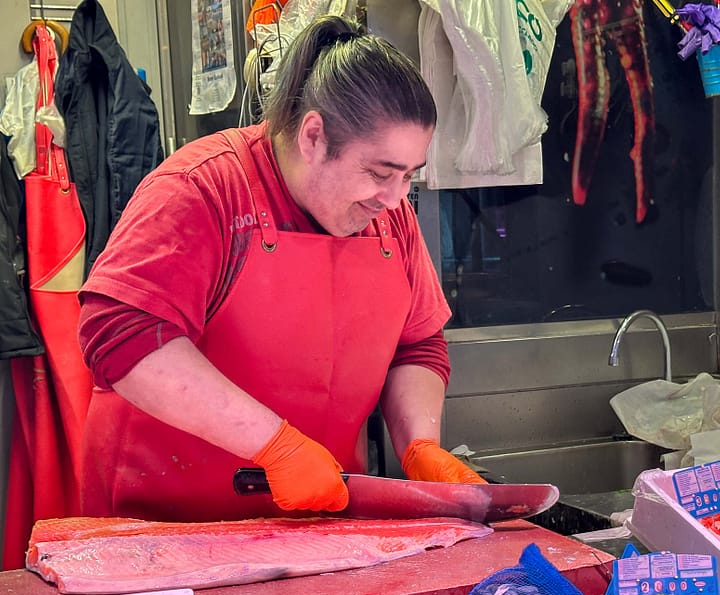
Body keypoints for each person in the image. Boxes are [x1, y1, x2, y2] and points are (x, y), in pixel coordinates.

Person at [77, 15, 484, 521]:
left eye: (409, 176)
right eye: (380, 172)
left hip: (317, 522)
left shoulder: (390, 215)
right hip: (162, 525)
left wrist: (420, 445)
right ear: (313, 136)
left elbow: (416, 342)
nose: (396, 197)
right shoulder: (203, 188)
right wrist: (276, 447)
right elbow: (121, 332)